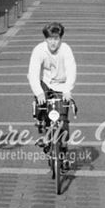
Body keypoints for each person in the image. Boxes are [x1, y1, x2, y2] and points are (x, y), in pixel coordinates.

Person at [27, 22, 77, 150]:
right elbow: (33, 73)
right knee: (43, 109)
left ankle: (63, 146)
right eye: (50, 39)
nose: (53, 42)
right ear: (45, 39)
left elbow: (71, 70)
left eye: (56, 39)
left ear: (60, 38)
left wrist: (67, 90)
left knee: (62, 118)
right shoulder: (39, 50)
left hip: (61, 85)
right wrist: (39, 92)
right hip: (45, 83)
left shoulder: (66, 49)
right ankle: (43, 129)